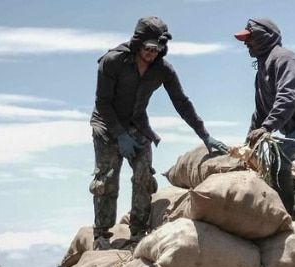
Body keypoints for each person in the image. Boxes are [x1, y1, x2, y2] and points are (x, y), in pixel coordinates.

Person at [90, 16, 228, 250]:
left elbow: (182, 103)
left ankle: (138, 233)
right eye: (148, 48)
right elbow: (102, 103)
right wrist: (119, 135)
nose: (152, 54)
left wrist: (204, 134)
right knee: (107, 181)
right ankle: (101, 235)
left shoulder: (163, 70)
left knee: (144, 179)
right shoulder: (112, 61)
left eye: (158, 49)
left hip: (137, 125)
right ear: (138, 43)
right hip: (107, 126)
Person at [234, 17, 295, 214]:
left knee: (276, 157)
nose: (245, 43)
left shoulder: (285, 59)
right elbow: (260, 112)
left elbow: (288, 97)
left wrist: (267, 127)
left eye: (249, 38)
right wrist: (248, 143)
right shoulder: (263, 69)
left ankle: (284, 214)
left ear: (264, 37)